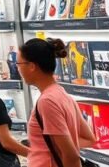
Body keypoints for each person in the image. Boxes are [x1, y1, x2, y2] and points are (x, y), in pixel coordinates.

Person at [18, 38, 96, 167]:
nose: (19, 70)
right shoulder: (61, 94)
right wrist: (45, 146)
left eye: (19, 64)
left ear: (32, 66)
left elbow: (70, 155)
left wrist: (58, 148)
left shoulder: (47, 102)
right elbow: (88, 139)